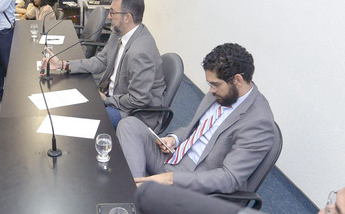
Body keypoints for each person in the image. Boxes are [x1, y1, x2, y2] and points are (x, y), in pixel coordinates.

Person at [117, 43, 276, 194]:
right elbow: (196, 129)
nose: (211, 90)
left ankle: (137, 195)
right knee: (129, 124)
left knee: (137, 181)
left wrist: (170, 179)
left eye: (215, 84)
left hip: (198, 179)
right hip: (175, 156)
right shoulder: (221, 92)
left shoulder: (259, 121)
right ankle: (137, 192)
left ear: (237, 80)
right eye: (210, 84)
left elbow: (229, 178)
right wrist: (174, 139)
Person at [41, 0, 165, 129]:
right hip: (116, 96)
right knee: (71, 105)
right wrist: (63, 64)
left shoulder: (140, 52)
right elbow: (101, 60)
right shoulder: (119, 33)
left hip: (134, 113)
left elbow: (138, 100)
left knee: (82, 122)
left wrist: (107, 100)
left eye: (112, 12)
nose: (109, 17)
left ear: (127, 17)